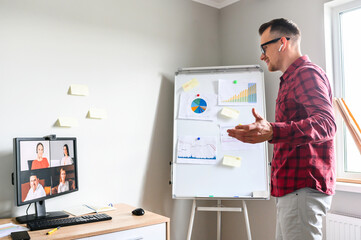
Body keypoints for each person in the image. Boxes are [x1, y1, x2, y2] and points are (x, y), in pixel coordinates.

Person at [227, 18, 336, 240]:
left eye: (264, 47)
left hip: (302, 188)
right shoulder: (291, 79)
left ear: (282, 43)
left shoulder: (306, 74)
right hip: (292, 189)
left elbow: (326, 123)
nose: (262, 55)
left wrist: (274, 131)